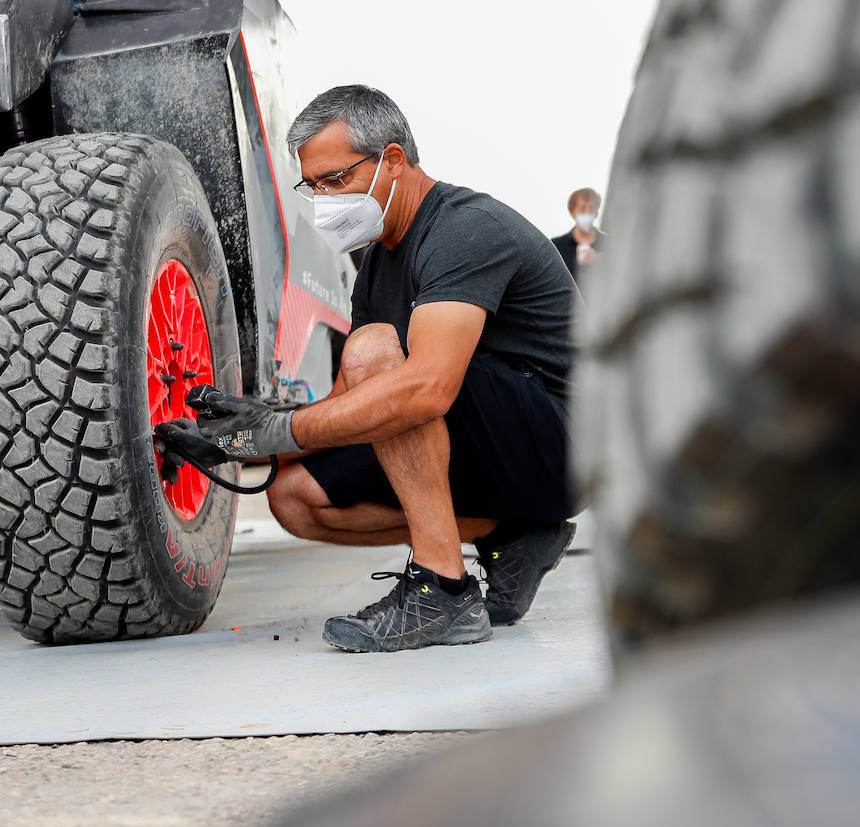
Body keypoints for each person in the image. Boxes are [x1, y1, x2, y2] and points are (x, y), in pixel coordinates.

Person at [184, 84, 581, 653]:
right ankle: (513, 534)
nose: (323, 201)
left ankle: (443, 590)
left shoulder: (464, 228)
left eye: (336, 180)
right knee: (294, 496)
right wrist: (242, 441)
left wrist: (279, 431)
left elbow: (427, 389)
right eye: (313, 186)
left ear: (392, 160)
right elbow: (350, 398)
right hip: (489, 445)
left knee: (375, 352)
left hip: (566, 442)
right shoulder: (377, 265)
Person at [550, 187, 602, 281]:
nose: (587, 213)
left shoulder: (610, 244)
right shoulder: (556, 246)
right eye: (582, 208)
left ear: (596, 212)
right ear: (573, 212)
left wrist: (600, 262)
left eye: (591, 208)